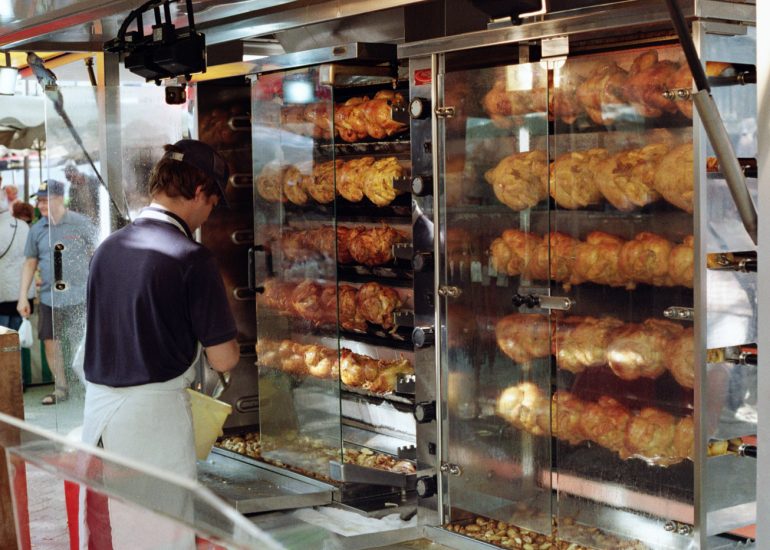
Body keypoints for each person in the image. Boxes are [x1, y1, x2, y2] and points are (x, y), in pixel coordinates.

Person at [80, 140, 238, 549]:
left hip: (98, 417)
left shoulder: (108, 248)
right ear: (200, 191)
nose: (209, 215)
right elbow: (224, 357)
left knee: (108, 531)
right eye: (213, 204)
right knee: (159, 535)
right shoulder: (192, 257)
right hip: (152, 423)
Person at [17, 180, 96, 405]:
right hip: (50, 297)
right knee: (50, 341)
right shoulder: (36, 229)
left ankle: (91, 385)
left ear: (60, 198)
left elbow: (96, 254)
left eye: (46, 200)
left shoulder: (81, 223)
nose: (41, 205)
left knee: (85, 341)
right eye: (39, 201)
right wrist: (23, 296)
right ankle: (61, 388)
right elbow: (30, 263)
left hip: (81, 295)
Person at [1, 198, 34, 331]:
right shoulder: (29, 230)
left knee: (4, 338)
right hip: (24, 293)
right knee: (17, 337)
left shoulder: (3, 228)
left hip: (5, 293)